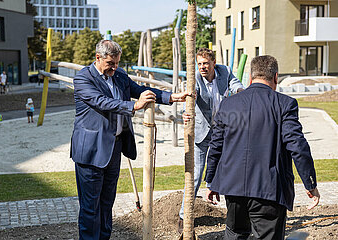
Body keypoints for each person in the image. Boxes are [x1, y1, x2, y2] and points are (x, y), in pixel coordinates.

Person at [70, 40, 192, 240]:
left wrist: (172, 97)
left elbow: (140, 90)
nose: (115, 67)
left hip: (114, 149)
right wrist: (134, 107)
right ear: (98, 58)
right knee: (90, 208)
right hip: (90, 153)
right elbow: (102, 102)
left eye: (117, 63)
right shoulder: (83, 78)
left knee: (107, 204)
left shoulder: (119, 76)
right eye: (110, 63)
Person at [205, 55, 320, 239]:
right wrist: (310, 183)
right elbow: (297, 146)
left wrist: (211, 180)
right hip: (269, 189)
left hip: (233, 187)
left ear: (250, 77)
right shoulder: (285, 104)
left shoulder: (228, 104)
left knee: (235, 234)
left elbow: (216, 144)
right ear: (276, 77)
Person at [178, 48, 244, 232]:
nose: (202, 67)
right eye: (199, 64)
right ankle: (184, 217)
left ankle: (236, 216)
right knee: (196, 174)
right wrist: (185, 112)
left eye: (205, 63)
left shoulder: (225, 71)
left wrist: (241, 92)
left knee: (230, 170)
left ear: (214, 62)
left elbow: (235, 84)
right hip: (201, 132)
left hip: (222, 131)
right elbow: (191, 95)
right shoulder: (195, 78)